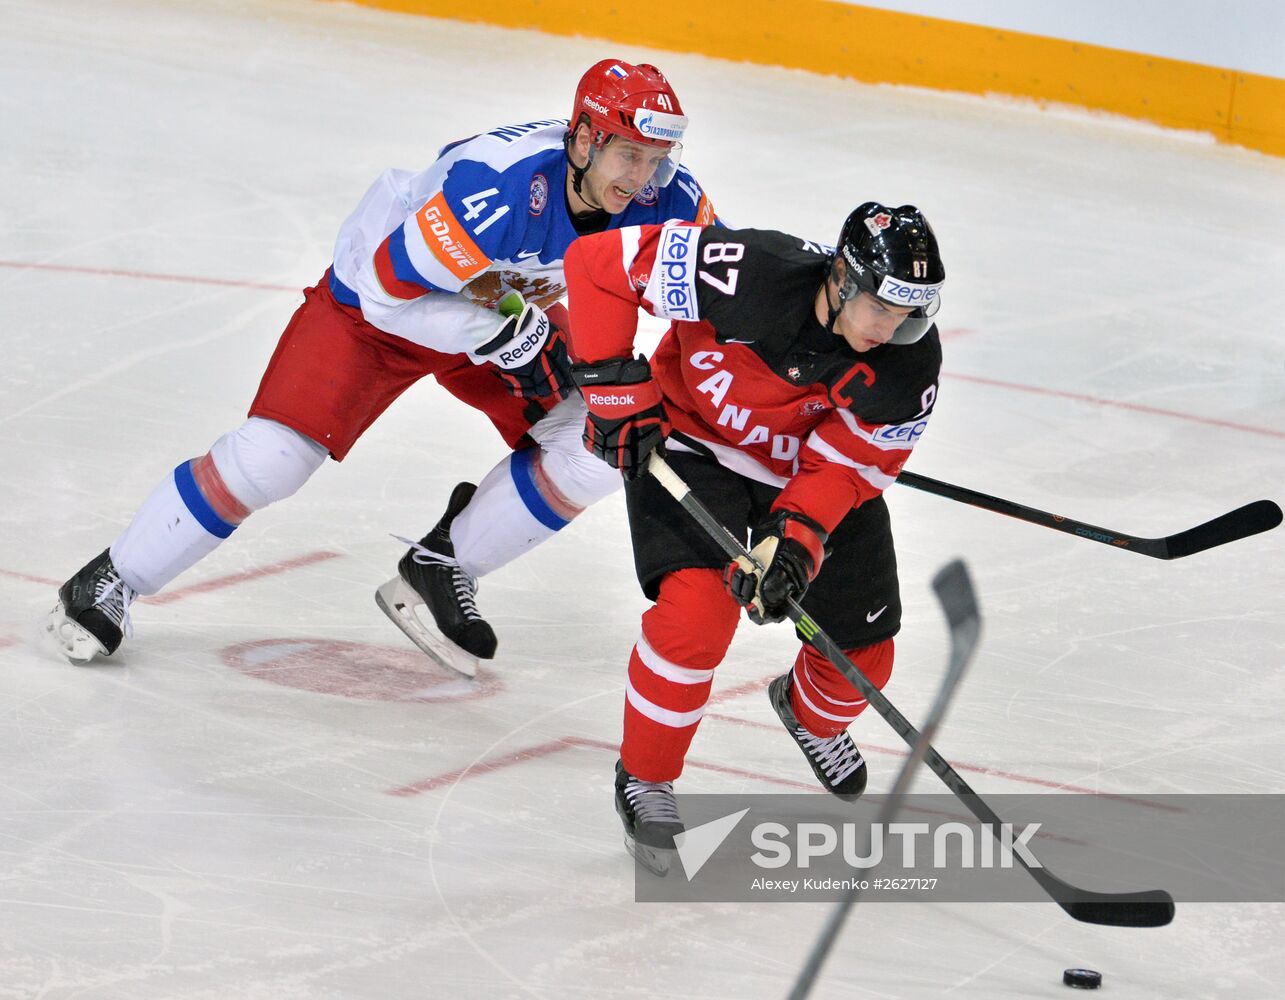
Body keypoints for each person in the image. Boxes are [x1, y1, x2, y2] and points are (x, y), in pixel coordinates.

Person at [47, 59, 716, 673]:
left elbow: (726, 297)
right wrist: (504, 335)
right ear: (582, 140)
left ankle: (439, 569)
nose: (641, 179)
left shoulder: (670, 197)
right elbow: (388, 290)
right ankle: (114, 578)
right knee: (273, 459)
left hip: (501, 307)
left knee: (602, 441)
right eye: (628, 154)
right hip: (377, 310)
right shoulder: (500, 186)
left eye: (656, 159)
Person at [562, 203, 945, 872]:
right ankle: (647, 778)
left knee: (862, 657)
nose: (892, 330)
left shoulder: (908, 365)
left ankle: (806, 714)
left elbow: (845, 468)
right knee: (696, 618)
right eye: (881, 309)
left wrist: (794, 543)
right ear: (841, 281)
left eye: (909, 315)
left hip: (801, 470)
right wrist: (612, 393)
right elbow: (597, 268)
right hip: (689, 443)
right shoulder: (747, 272)